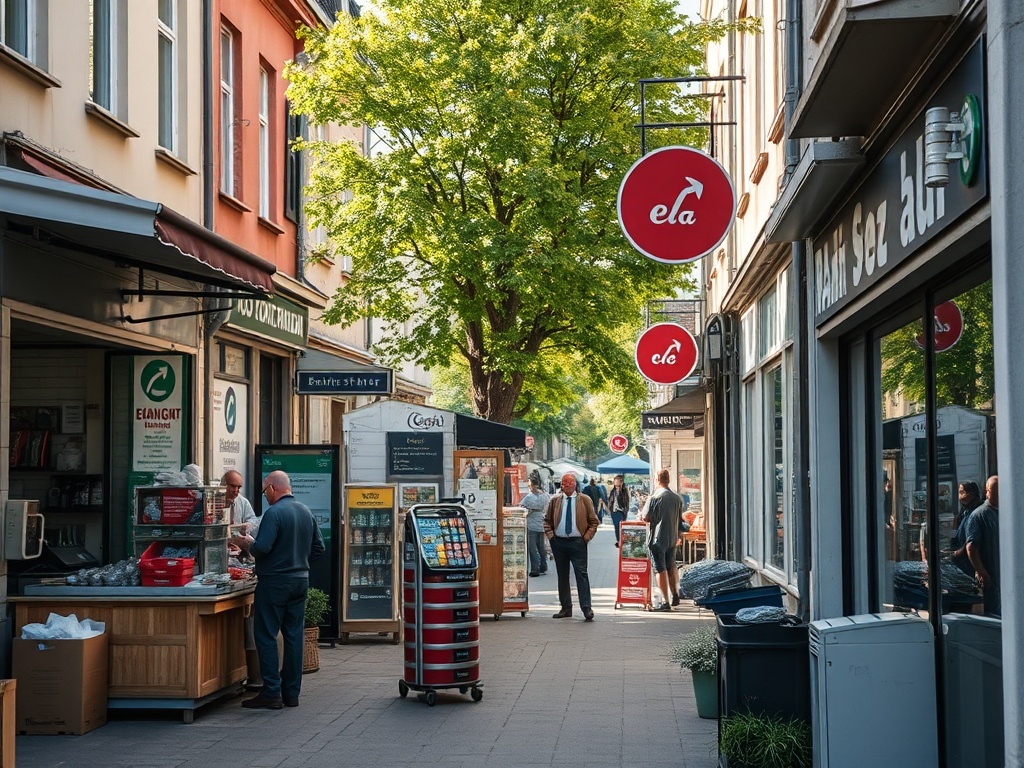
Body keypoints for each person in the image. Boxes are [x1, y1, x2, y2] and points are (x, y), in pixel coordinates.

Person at [232, 470, 325, 709]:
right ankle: (292, 694)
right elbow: (319, 548)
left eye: (265, 491)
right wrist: (298, 561)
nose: (265, 496)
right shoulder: (306, 511)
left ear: (273, 488)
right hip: (300, 580)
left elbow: (261, 548)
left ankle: (271, 692)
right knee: (294, 636)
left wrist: (248, 544)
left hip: (274, 582)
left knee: (266, 635)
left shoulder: (274, 513)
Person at [222, 469, 261, 688]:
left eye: (238, 487)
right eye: (232, 486)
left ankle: (249, 673)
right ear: (223, 484)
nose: (235, 491)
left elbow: (252, 523)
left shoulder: (242, 502)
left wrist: (245, 533)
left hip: (238, 558)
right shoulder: (216, 501)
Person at [544, 473, 599, 621]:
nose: (567, 484)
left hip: (577, 542)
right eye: (564, 482)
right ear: (561, 485)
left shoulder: (585, 500)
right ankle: (566, 608)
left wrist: (586, 538)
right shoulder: (555, 500)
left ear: (575, 484)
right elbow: (547, 521)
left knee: (581, 574)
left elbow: (594, 522)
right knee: (563, 576)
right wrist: (551, 537)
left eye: (570, 482)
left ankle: (586, 608)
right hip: (559, 542)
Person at [641, 469, 684, 611]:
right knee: (671, 564)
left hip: (657, 538)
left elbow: (646, 517)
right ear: (668, 480)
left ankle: (666, 601)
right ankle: (675, 592)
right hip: (672, 537)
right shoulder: (677, 498)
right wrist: (678, 536)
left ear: (657, 480)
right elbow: (680, 519)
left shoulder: (654, 497)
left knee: (660, 568)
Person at [966, 475, 1000, 617]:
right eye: (995, 490)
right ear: (987, 491)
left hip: (1005, 575)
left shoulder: (1006, 512)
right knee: (994, 616)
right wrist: (982, 573)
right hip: (991, 576)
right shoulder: (979, 515)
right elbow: (971, 548)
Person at [948, 480, 982, 576]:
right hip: (961, 561)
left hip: (969, 563)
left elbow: (971, 541)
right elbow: (955, 533)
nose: (959, 496)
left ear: (971, 494)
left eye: (961, 492)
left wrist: (956, 554)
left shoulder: (976, 513)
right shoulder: (964, 512)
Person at [521, 472, 550, 578]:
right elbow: (546, 508)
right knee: (541, 546)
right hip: (541, 523)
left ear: (532, 485)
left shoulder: (529, 497)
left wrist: (530, 511)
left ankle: (535, 568)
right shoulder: (545, 496)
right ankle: (543, 565)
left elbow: (522, 507)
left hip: (532, 524)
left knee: (532, 547)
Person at [608, 474, 629, 547]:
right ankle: (618, 540)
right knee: (616, 526)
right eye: (615, 481)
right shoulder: (613, 490)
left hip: (620, 511)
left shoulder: (624, 491)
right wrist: (610, 508)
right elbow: (610, 499)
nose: (615, 483)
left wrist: (625, 511)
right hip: (614, 511)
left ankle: (621, 540)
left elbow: (626, 501)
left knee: (620, 526)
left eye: (617, 481)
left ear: (621, 482)